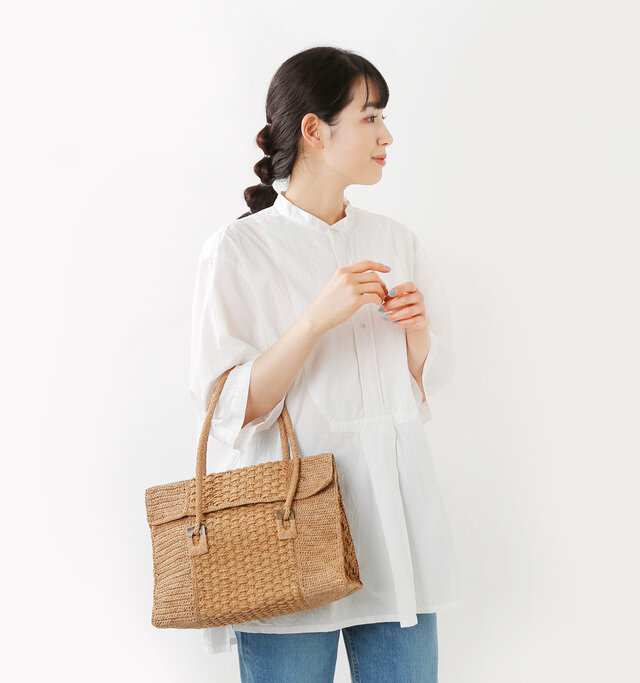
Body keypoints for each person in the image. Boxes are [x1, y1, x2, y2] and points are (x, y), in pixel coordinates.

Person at [189, 46, 464, 683]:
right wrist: (315, 319)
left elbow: (419, 387)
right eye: (370, 117)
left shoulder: (395, 240)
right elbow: (229, 410)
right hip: (284, 527)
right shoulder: (238, 249)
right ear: (315, 129)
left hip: (393, 522)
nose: (386, 136)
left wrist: (417, 334)